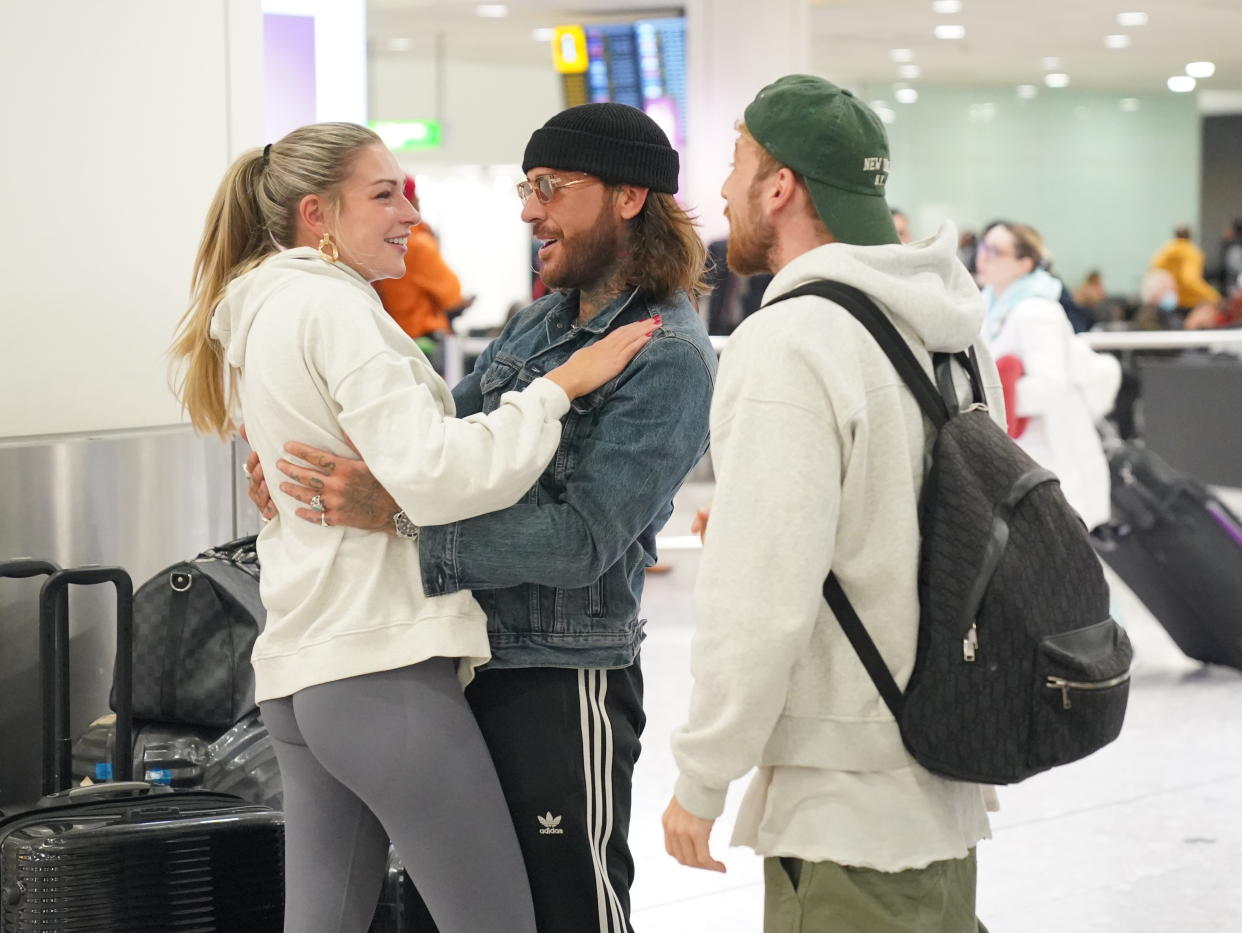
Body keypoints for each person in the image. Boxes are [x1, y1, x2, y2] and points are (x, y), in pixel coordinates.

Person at [169, 121, 656, 933]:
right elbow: (437, 475)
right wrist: (557, 389)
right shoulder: (335, 310)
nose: (409, 215)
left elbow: (364, 463)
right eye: (384, 193)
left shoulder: (262, 309)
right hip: (380, 668)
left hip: (305, 676)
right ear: (317, 216)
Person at [661, 74, 1001, 933]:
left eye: (737, 164)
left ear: (781, 186)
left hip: (845, 807)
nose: (726, 189)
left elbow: (760, 594)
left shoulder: (791, 340)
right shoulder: (951, 333)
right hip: (940, 777)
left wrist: (703, 775)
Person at [976, 222, 1116, 530]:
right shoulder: (989, 305)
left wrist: (988, 396)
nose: (982, 256)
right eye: (983, 246)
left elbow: (1050, 387)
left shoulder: (1037, 312)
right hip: (1018, 453)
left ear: (1024, 263)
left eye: (995, 251)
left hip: (1052, 454)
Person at [372, 176, 467, 345]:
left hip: (390, 337)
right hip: (423, 340)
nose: (419, 199)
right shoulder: (418, 244)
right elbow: (452, 295)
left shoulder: (377, 241)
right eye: (415, 193)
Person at [1150, 224, 1220, 313]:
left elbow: (1154, 274)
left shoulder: (1165, 251)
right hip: (1189, 302)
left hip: (1167, 302)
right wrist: (1212, 296)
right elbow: (1190, 280)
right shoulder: (1192, 252)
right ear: (1190, 236)